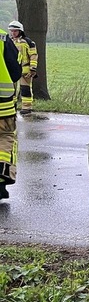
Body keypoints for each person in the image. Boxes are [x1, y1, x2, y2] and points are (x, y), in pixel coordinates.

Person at [0, 26, 23, 200]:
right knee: (5, 139)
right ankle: (0, 184)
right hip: (3, 106)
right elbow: (15, 72)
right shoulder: (2, 38)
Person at [8, 21, 37, 115]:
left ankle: (27, 108)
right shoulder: (8, 42)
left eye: (15, 31)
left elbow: (33, 55)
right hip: (12, 70)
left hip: (25, 70)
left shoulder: (28, 42)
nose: (13, 33)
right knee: (11, 90)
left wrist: (33, 68)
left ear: (20, 31)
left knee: (25, 89)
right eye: (11, 31)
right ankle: (12, 107)